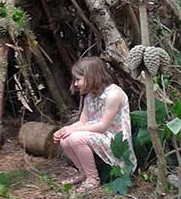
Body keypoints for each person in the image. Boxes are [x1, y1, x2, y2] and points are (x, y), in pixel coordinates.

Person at [53, 56, 136, 191]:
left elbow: (103, 126)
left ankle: (93, 179)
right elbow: (82, 122)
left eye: (78, 79)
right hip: (97, 135)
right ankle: (84, 173)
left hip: (114, 140)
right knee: (65, 140)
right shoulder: (90, 96)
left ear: (91, 76)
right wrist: (65, 130)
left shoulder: (113, 94)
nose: (75, 84)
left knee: (75, 138)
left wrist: (73, 131)